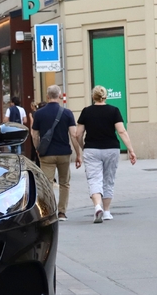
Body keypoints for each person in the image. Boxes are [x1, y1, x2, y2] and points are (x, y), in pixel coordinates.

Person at [73, 85, 137, 223]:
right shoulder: (114, 111)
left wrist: (83, 146)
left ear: (93, 97)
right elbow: (121, 131)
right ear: (105, 96)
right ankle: (107, 211)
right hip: (111, 149)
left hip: (91, 149)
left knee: (94, 179)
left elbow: (77, 134)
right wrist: (130, 149)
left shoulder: (86, 111)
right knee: (109, 179)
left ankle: (97, 206)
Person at [32, 85, 82, 222]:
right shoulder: (67, 113)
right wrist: (78, 154)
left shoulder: (39, 114)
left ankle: (49, 211)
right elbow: (74, 135)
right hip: (64, 153)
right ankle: (62, 212)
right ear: (60, 95)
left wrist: (38, 148)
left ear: (47, 96)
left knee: (47, 184)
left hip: (46, 154)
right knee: (64, 183)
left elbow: (35, 135)